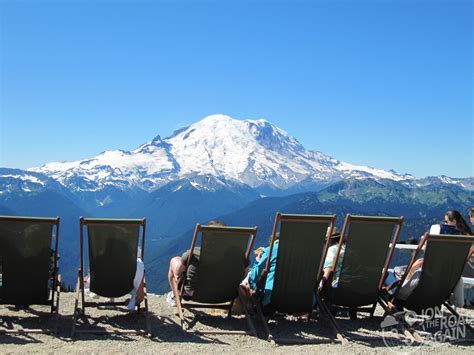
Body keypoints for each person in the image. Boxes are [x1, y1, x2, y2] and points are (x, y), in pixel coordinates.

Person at [391, 210, 471, 303]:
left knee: (400, 270)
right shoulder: (465, 237)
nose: (444, 223)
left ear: (453, 221)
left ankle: (397, 298)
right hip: (449, 277)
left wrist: (426, 246)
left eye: (446, 221)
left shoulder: (448, 237)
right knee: (402, 270)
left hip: (431, 276)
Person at [166, 220, 226, 306]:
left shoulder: (195, 253)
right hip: (224, 294)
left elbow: (178, 271)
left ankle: (175, 296)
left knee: (175, 260)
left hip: (193, 294)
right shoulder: (234, 256)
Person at [239, 232, 279, 312]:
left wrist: (257, 261)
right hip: (300, 300)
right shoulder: (298, 252)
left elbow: (254, 276)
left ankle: (244, 286)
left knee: (250, 275)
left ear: (271, 242)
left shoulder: (270, 250)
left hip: (271, 298)